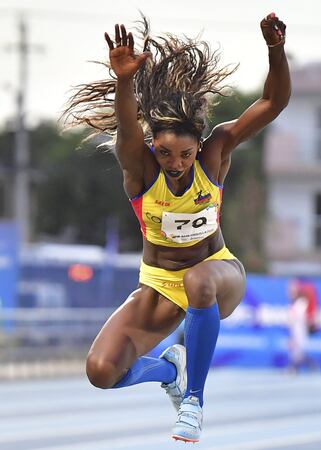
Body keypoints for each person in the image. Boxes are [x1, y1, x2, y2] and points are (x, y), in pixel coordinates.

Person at [63, 12, 290, 443]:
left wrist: (275, 51)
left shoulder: (216, 152)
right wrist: (124, 81)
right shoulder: (140, 169)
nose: (177, 165)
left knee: (198, 278)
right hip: (159, 284)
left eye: (185, 155)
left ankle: (194, 402)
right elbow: (128, 126)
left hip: (218, 273)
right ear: (153, 147)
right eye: (166, 154)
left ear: (198, 146)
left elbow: (272, 104)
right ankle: (171, 369)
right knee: (102, 372)